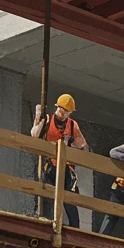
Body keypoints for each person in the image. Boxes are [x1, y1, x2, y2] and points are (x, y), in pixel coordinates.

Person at [30, 93, 88, 229]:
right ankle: (46, 222)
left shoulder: (72, 125)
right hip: (49, 164)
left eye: (68, 111)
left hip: (66, 167)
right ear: (59, 108)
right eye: (64, 110)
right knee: (48, 194)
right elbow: (34, 134)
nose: (65, 114)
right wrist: (39, 116)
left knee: (69, 197)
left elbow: (82, 144)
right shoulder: (48, 119)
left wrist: (76, 146)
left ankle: (74, 227)